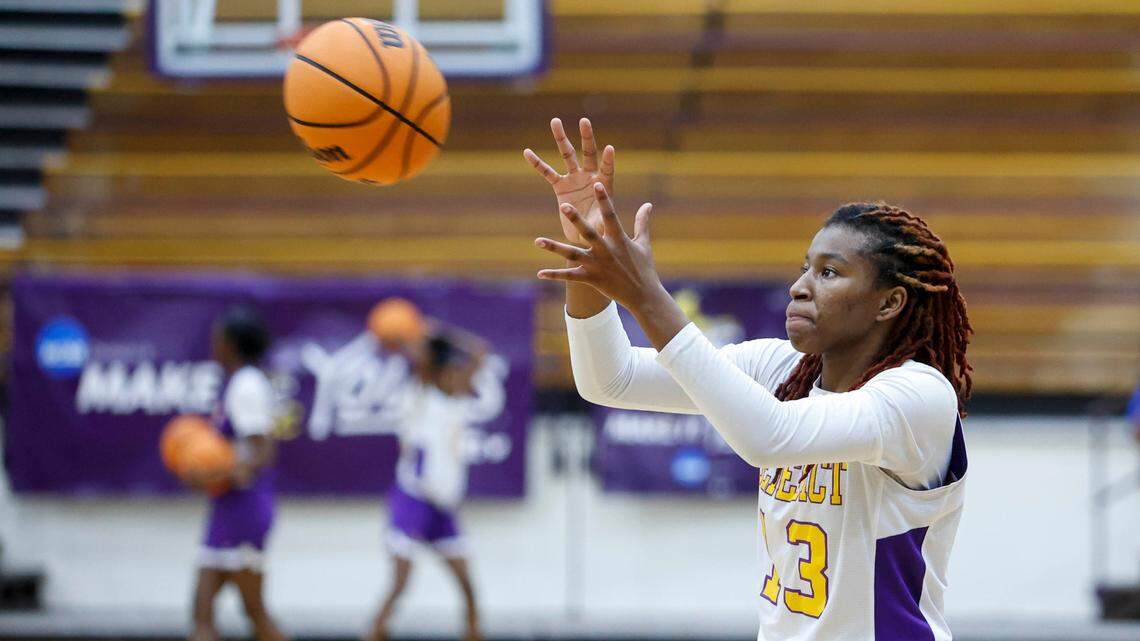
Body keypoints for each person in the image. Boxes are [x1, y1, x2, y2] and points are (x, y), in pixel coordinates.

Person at [525, 118, 973, 640]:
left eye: (829, 273)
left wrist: (648, 295)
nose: (800, 286)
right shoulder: (779, 368)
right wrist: (591, 255)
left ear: (890, 302)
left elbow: (769, 437)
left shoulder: (918, 397)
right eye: (805, 268)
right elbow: (612, 381)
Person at [365, 327, 502, 641]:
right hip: (412, 498)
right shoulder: (420, 394)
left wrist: (447, 337)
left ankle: (473, 633)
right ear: (438, 373)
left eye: (459, 373)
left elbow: (481, 350)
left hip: (442, 505)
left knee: (466, 581)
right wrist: (428, 336)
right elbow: (421, 356)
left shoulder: (458, 400)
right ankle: (374, 632)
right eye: (451, 372)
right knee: (401, 580)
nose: (459, 377)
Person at [188, 306, 286, 641]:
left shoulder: (247, 384)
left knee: (247, 612)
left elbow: (262, 451)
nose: (212, 344)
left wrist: (212, 471)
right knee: (210, 613)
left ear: (231, 344)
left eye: (218, 338)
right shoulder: (241, 382)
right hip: (231, 504)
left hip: (244, 506)